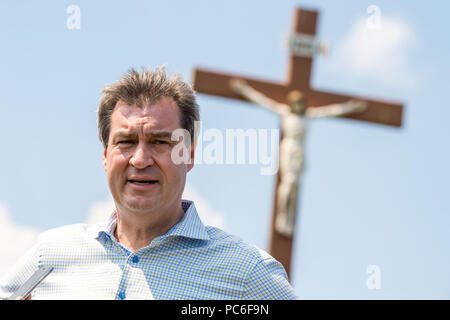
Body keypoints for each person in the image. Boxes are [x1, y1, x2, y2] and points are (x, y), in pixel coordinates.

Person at [0, 67, 297, 300]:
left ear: (188, 155)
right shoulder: (48, 256)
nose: (140, 159)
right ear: (106, 155)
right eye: (126, 142)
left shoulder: (246, 274)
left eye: (159, 142)